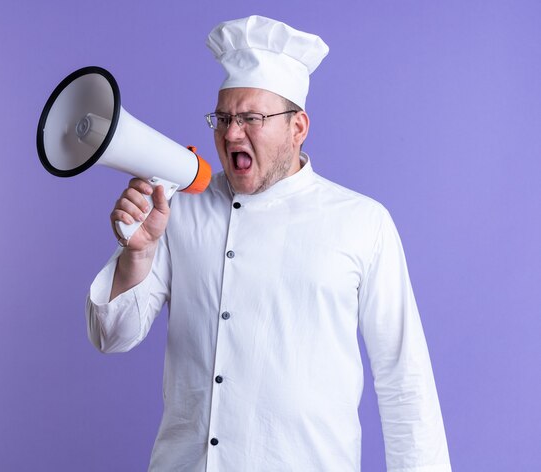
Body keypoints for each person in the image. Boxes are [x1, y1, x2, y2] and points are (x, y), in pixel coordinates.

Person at [86, 15, 451, 472]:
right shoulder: (177, 210)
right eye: (222, 118)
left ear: (298, 127)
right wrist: (136, 254)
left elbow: (404, 379)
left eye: (250, 118)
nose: (230, 133)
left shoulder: (363, 222)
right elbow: (111, 337)